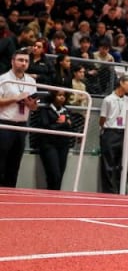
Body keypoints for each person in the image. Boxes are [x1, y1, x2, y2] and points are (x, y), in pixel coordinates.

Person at [0, 49, 37, 187]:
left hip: (22, 124)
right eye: (20, 60)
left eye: (26, 61)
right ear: (12, 61)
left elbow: (35, 106)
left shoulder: (31, 80)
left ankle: (10, 193)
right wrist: (15, 98)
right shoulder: (3, 79)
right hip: (4, 123)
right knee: (1, 160)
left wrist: (31, 104)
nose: (24, 63)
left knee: (15, 162)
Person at [98, 76, 128, 194]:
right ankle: (109, 192)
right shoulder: (108, 99)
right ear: (121, 82)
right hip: (111, 132)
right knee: (108, 164)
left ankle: (121, 190)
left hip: (125, 132)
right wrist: (106, 130)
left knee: (124, 166)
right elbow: (102, 119)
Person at [37, 89, 74, 190]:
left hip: (63, 144)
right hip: (49, 144)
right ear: (53, 96)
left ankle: (55, 196)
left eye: (64, 95)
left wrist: (61, 124)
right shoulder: (46, 110)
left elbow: (72, 126)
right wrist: (64, 124)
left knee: (60, 174)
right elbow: (45, 127)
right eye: (59, 95)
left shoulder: (66, 110)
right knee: (54, 173)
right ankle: (50, 194)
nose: (62, 97)